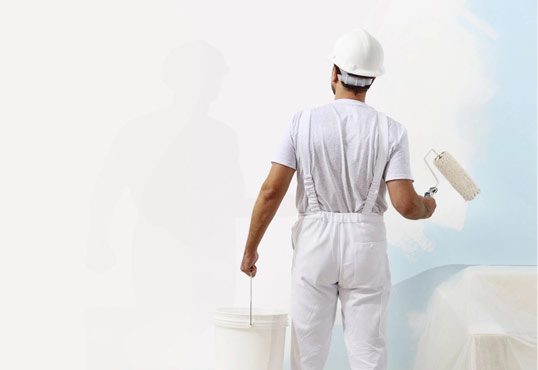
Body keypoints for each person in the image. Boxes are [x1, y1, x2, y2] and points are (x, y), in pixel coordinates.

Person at [240, 28, 436, 370]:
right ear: (372, 80)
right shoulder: (391, 130)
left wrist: (250, 248)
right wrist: (427, 207)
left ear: (334, 73)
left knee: (309, 353)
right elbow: (406, 205)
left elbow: (272, 191)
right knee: (368, 352)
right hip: (366, 244)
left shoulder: (302, 123)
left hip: (315, 242)